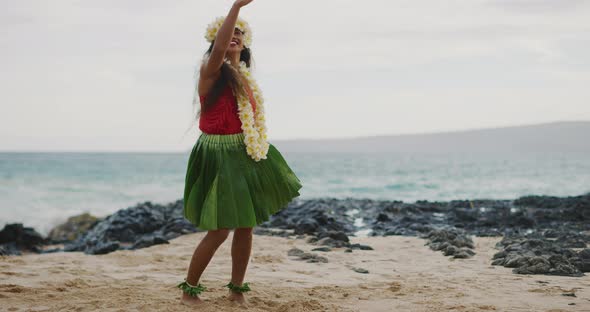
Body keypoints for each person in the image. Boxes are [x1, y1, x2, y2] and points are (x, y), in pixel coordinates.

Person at [177, 0, 303, 307]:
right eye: (228, 32)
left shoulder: (244, 77)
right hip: (217, 154)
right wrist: (237, 6)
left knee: (246, 225)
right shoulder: (211, 72)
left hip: (244, 151)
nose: (234, 36)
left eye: (240, 33)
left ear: (246, 43)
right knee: (220, 230)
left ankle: (236, 289)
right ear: (216, 38)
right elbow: (220, 49)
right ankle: (189, 289)